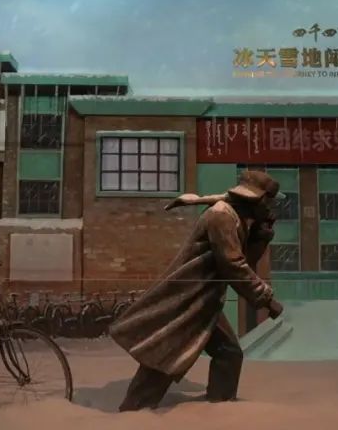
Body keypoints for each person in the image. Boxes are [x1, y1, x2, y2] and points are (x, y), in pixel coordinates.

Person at [108, 170, 285, 412]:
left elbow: (244, 260)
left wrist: (261, 235)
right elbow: (233, 266)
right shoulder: (221, 217)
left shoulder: (235, 218)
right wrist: (267, 299)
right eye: (269, 202)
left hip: (205, 301)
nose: (271, 208)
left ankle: (219, 411)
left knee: (228, 353)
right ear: (255, 199)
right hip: (188, 299)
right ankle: (131, 415)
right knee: (165, 357)